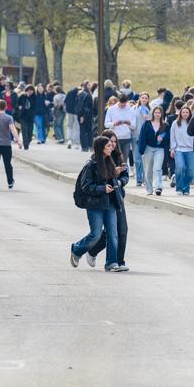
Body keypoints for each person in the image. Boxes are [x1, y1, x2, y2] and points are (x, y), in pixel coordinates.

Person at [69, 136, 124, 273]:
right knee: (96, 234)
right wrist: (102, 188)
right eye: (108, 146)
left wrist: (116, 174)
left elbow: (110, 181)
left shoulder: (110, 162)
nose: (112, 147)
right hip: (95, 205)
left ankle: (111, 263)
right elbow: (86, 186)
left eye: (112, 145)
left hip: (110, 202)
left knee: (113, 234)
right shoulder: (91, 166)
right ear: (101, 149)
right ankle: (76, 249)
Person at [87, 132, 131, 271]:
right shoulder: (98, 159)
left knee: (122, 230)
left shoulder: (118, 156)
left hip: (117, 197)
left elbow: (125, 176)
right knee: (109, 232)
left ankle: (119, 261)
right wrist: (112, 174)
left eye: (114, 142)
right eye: (110, 142)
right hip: (104, 199)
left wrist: (119, 179)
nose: (112, 145)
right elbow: (96, 180)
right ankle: (95, 252)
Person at [0, 99, 22, 191]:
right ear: (6, 107)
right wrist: (18, 140)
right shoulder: (9, 118)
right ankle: (10, 181)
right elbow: (13, 129)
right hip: (6, 144)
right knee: (7, 163)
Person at [105, 94, 139, 179]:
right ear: (118, 101)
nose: (123, 105)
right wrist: (114, 124)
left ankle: (123, 176)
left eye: (124, 103)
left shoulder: (130, 110)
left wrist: (129, 124)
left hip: (126, 137)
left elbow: (134, 126)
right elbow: (106, 123)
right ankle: (114, 174)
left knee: (124, 158)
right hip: (115, 138)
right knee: (116, 157)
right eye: (121, 103)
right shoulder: (111, 109)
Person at [137, 105, 168, 196]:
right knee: (148, 170)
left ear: (161, 114)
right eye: (156, 112)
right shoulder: (147, 124)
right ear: (153, 113)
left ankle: (158, 187)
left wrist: (163, 139)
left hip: (160, 149)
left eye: (159, 113)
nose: (157, 114)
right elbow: (142, 137)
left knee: (157, 168)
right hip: (148, 148)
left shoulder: (165, 125)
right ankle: (149, 189)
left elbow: (168, 137)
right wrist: (141, 150)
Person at [170, 104, 194, 195]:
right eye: (183, 112)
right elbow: (172, 136)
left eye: (187, 112)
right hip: (179, 149)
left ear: (189, 113)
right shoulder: (175, 123)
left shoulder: (192, 123)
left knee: (190, 172)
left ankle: (186, 188)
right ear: (180, 113)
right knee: (180, 167)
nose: (185, 114)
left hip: (191, 150)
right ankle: (179, 188)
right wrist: (172, 148)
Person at [15, 85, 36, 149]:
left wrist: (29, 97)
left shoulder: (34, 97)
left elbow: (34, 105)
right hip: (23, 116)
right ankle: (25, 144)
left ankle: (28, 141)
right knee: (24, 130)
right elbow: (17, 104)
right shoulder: (22, 96)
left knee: (30, 131)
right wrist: (19, 107)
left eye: (31, 90)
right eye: (28, 90)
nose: (29, 92)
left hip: (30, 117)